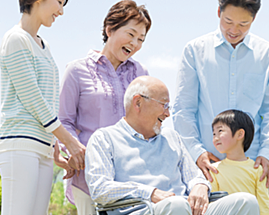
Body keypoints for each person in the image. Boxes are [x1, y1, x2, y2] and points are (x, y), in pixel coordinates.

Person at [173, 0, 269, 215]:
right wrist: (196, 152)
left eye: (243, 24)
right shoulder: (195, 50)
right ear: (218, 13)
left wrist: (267, 153)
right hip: (209, 170)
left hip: (258, 166)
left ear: (253, 20)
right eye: (228, 21)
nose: (234, 30)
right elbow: (183, 110)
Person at [85, 76, 260, 215]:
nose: (168, 113)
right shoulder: (104, 138)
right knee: (176, 206)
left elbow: (193, 176)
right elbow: (100, 188)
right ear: (138, 103)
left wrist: (200, 185)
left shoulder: (171, 137)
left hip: (185, 208)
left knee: (246, 201)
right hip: (145, 209)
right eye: (164, 105)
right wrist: (150, 193)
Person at [0, 0, 86, 215]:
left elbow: (47, 101)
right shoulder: (15, 39)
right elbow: (33, 99)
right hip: (19, 144)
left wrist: (54, 144)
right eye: (59, 1)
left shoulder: (43, 45)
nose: (61, 11)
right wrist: (70, 141)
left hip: (42, 147)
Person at [56, 0, 152, 215]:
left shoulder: (141, 74)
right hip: (89, 174)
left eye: (141, 39)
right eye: (130, 34)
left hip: (132, 177)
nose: (135, 43)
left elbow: (149, 122)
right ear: (109, 29)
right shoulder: (77, 70)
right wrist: (72, 150)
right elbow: (64, 121)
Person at [210, 109, 269, 215]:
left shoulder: (256, 169)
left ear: (240, 134)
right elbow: (214, 204)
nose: (215, 138)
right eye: (214, 134)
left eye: (220, 131)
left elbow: (264, 205)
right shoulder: (214, 169)